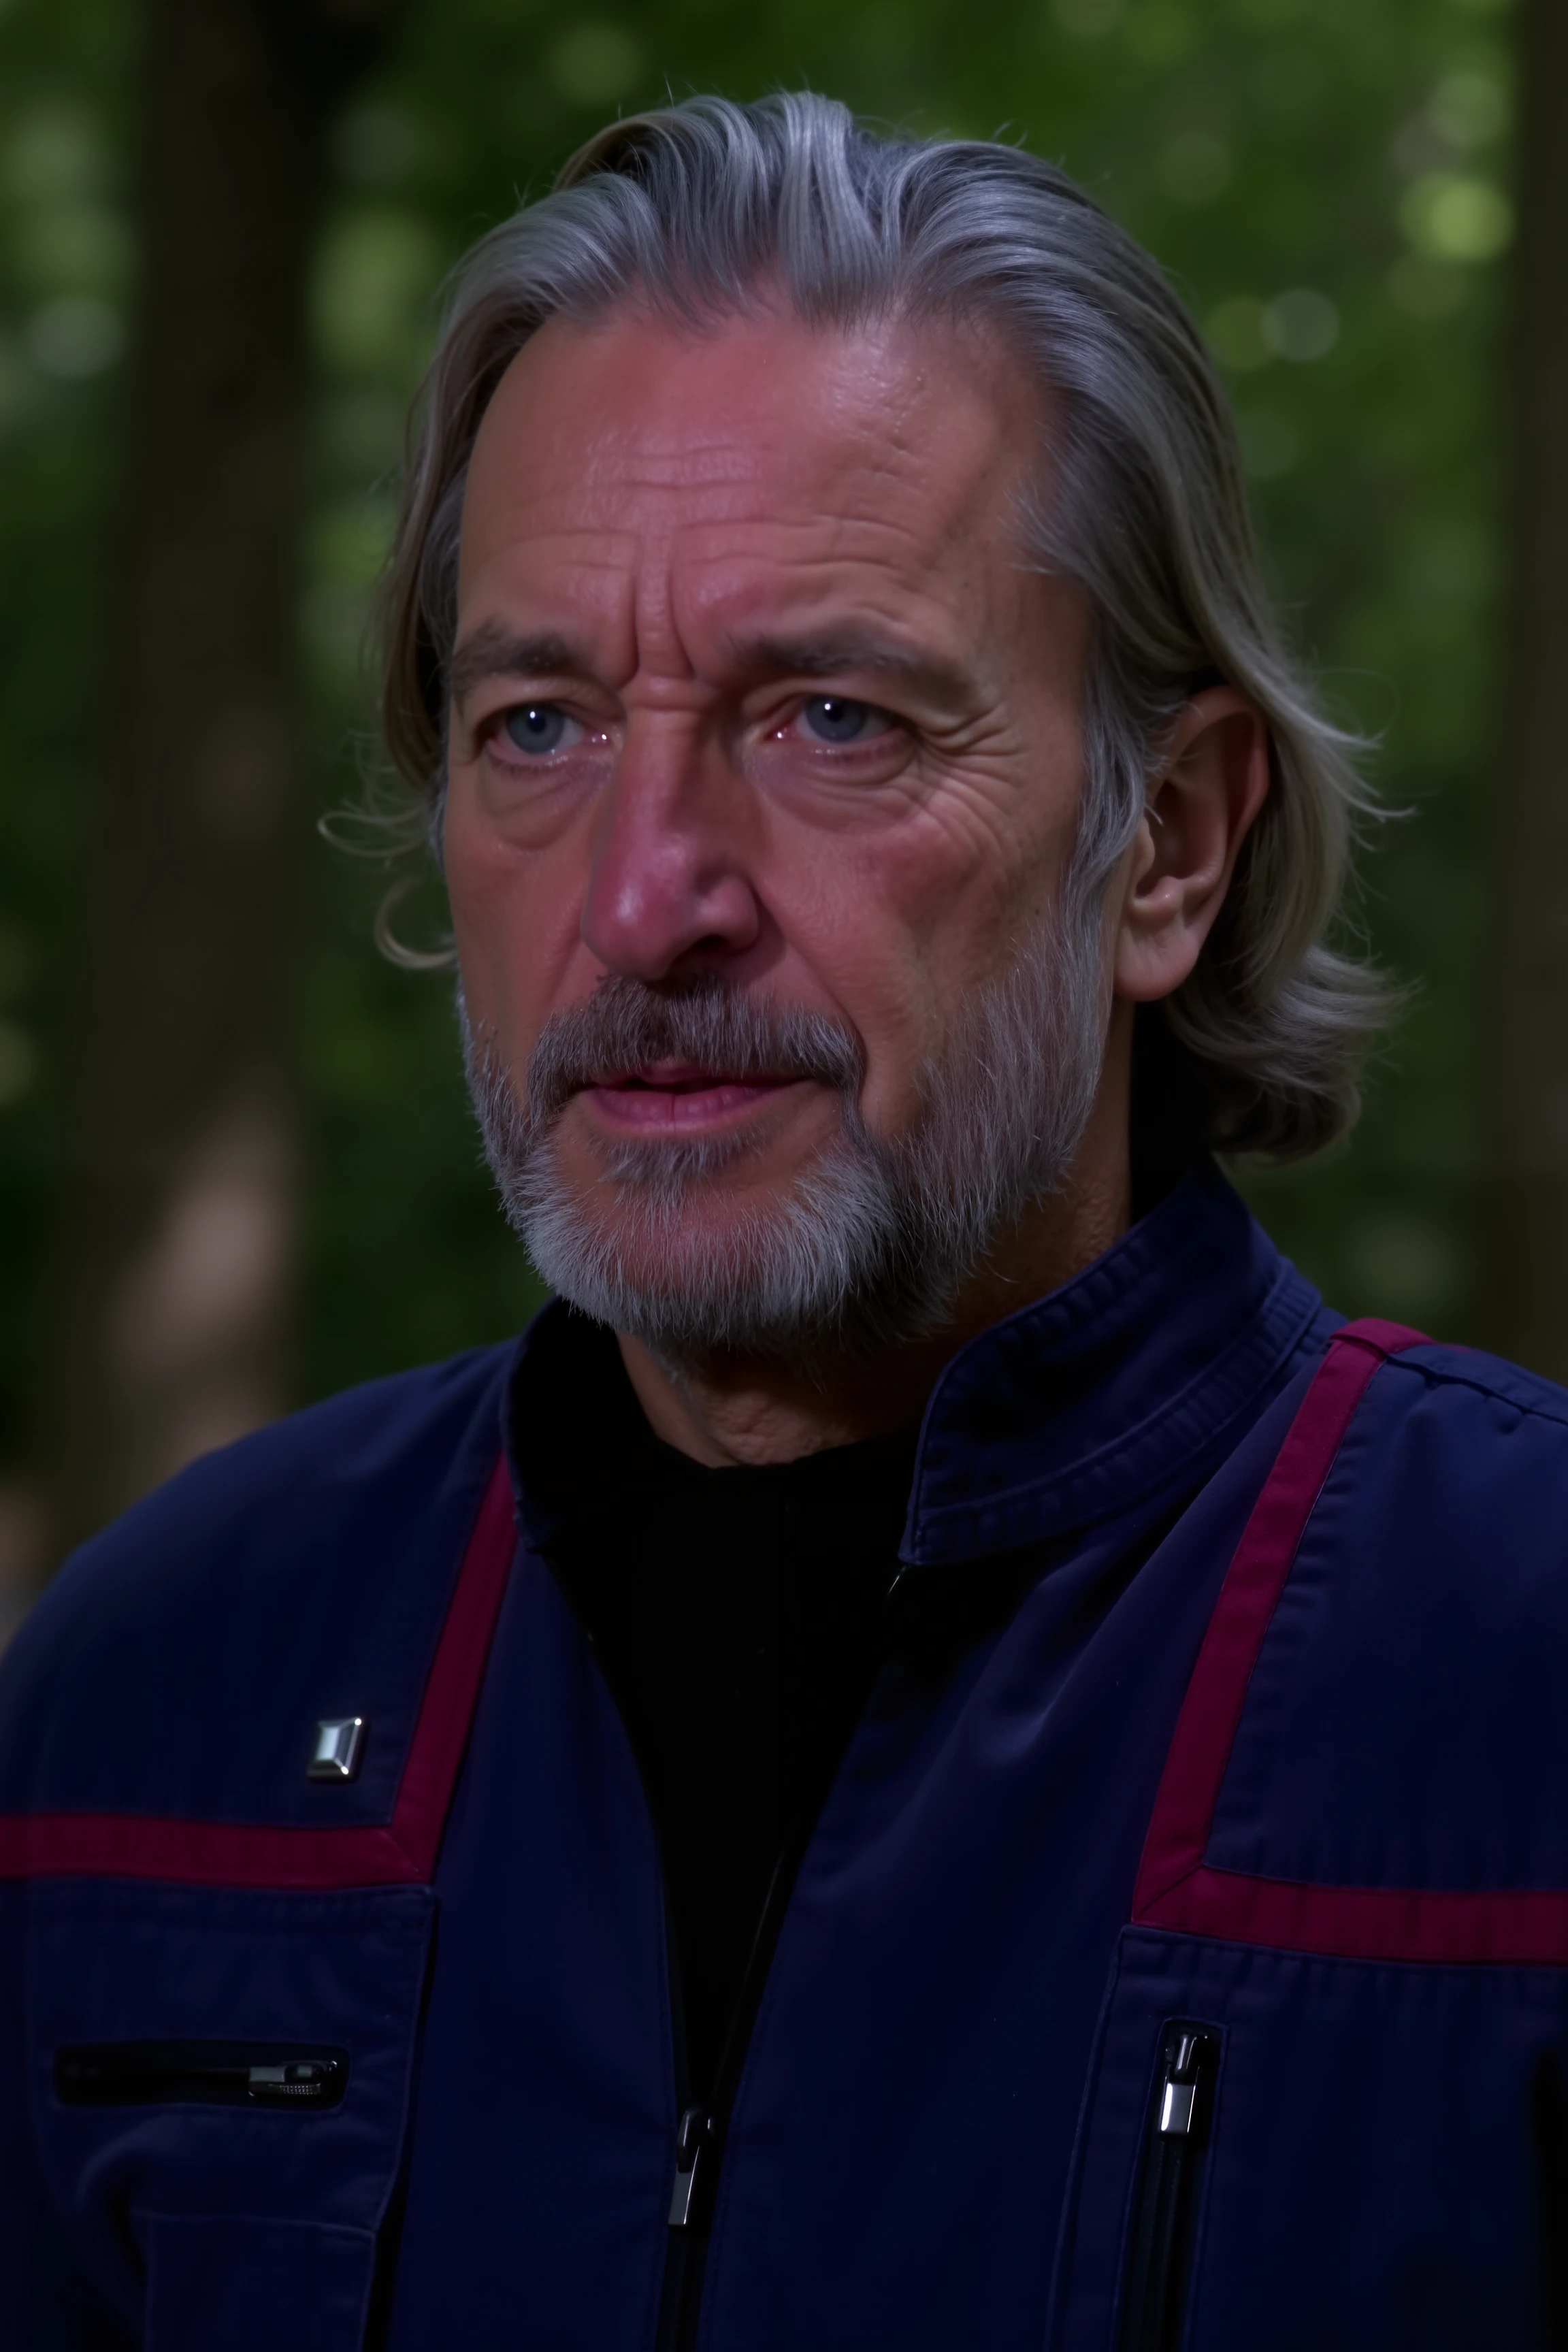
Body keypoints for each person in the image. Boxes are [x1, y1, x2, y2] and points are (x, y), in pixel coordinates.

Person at [3, 89, 1567, 2352]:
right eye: (537, 723)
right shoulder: (164, 1695)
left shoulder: (1514, 1683)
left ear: (1174, 846)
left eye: (831, 716)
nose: (647, 899)